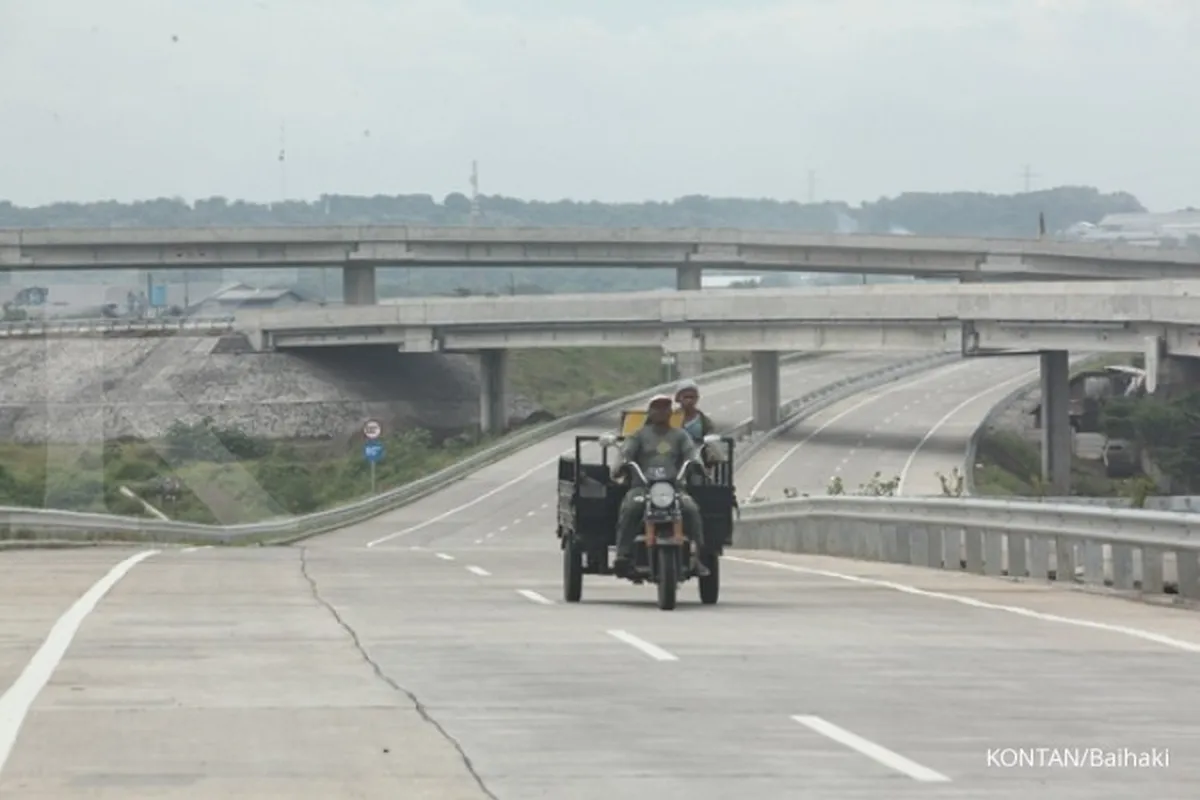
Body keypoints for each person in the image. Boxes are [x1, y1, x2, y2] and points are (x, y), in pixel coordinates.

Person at [611, 394, 709, 576]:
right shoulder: (638, 435)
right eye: (657, 408)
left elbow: (692, 454)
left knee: (691, 509)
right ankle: (622, 554)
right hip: (642, 488)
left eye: (665, 407)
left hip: (674, 489)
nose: (661, 411)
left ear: (671, 411)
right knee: (631, 508)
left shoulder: (680, 435)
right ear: (650, 412)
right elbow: (626, 453)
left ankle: (699, 557)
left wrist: (697, 465)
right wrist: (621, 465)